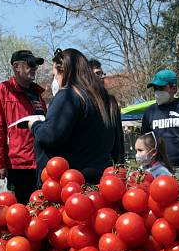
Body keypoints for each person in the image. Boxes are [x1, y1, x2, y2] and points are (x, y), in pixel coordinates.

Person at [30, 48, 124, 184]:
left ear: (63, 71)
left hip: (72, 182)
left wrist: (35, 125)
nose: (55, 80)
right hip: (102, 178)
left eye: (54, 75)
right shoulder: (107, 100)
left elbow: (50, 135)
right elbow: (117, 145)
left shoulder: (68, 96)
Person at [0, 50, 48, 203]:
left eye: (36, 65)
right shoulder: (2, 90)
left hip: (40, 162)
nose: (34, 68)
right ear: (16, 67)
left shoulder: (37, 94)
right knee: (22, 213)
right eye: (31, 64)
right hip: (18, 166)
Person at [141, 69, 179, 179]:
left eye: (160, 88)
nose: (156, 92)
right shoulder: (149, 112)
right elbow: (143, 141)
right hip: (157, 169)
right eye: (155, 88)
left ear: (173, 88)